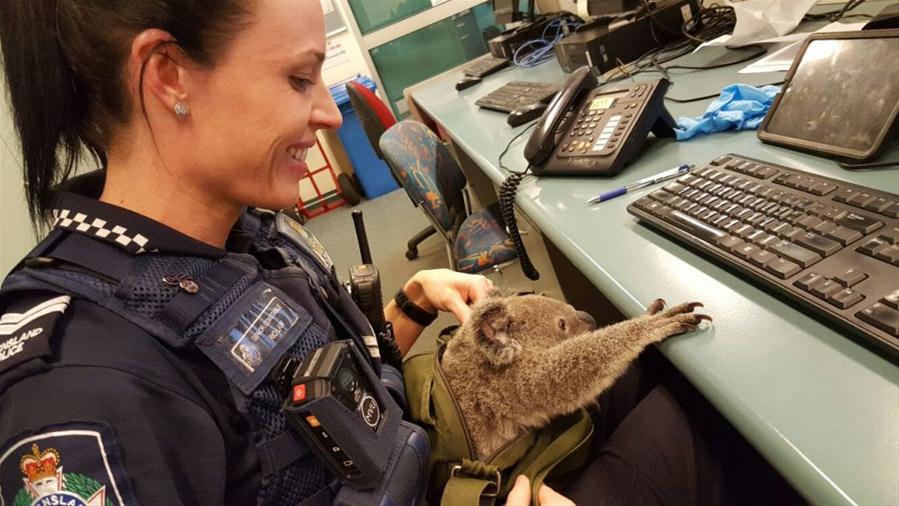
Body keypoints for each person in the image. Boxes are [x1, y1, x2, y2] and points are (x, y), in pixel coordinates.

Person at [0, 1, 803, 505]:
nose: (326, 112)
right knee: (718, 427)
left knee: (672, 367)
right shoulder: (83, 386)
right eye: (297, 78)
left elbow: (305, 405)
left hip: (442, 460)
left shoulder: (243, 234)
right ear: (167, 73)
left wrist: (408, 311)